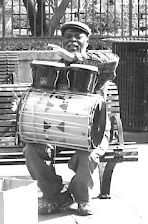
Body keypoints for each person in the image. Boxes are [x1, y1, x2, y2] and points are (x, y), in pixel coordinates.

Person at [22, 21, 119, 216]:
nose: (73, 40)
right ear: (62, 41)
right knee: (31, 150)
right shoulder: (53, 69)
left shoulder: (98, 64)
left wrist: (75, 58)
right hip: (54, 129)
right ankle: (54, 195)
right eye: (68, 37)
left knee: (88, 154)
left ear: (87, 41)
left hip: (92, 130)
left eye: (78, 37)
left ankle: (81, 197)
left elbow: (113, 60)